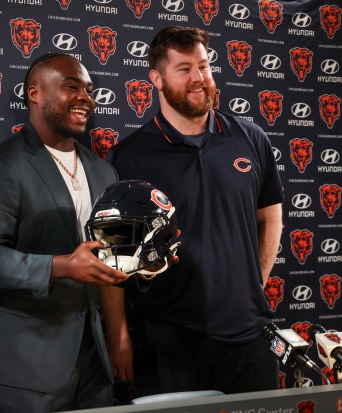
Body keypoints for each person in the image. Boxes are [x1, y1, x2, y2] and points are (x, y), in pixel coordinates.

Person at [106, 26, 284, 397]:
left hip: (249, 334)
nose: (199, 78)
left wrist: (256, 284)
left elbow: (271, 217)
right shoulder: (130, 155)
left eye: (204, 66)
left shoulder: (251, 138)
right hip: (167, 338)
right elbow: (113, 257)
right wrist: (119, 334)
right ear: (156, 78)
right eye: (184, 69)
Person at [0, 53, 130, 413]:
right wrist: (62, 266)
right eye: (71, 87)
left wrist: (119, 334)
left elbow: (108, 262)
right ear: (34, 93)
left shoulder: (104, 173)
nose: (86, 97)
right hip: (26, 367)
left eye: (89, 89)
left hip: (95, 363)